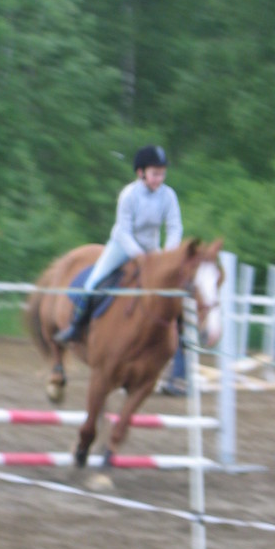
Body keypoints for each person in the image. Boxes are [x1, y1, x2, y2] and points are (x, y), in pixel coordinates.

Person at [54, 144, 188, 394]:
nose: (159, 178)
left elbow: (175, 228)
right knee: (94, 282)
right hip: (122, 247)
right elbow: (124, 231)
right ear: (141, 172)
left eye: (162, 173)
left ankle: (182, 340)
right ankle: (75, 327)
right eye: (155, 173)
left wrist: (167, 256)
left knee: (171, 292)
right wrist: (139, 257)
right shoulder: (129, 195)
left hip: (152, 250)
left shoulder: (168, 195)